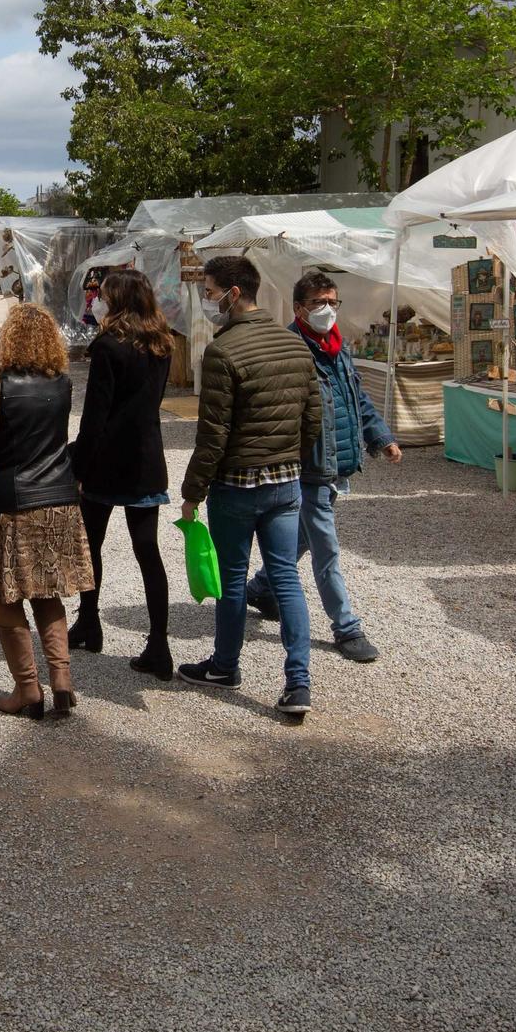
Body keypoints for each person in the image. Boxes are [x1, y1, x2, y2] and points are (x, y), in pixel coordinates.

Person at [175, 255, 328, 718]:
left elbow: (213, 434)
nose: (207, 300)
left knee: (233, 581)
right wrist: (289, 458)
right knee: (286, 578)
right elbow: (313, 417)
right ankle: (298, 681)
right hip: (285, 483)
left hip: (237, 486)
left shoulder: (224, 352)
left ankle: (225, 665)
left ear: (233, 294)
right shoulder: (296, 345)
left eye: (209, 291)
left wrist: (192, 491)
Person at [244, 272, 398, 662]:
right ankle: (347, 628)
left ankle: (261, 587)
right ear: (299, 308)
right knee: (326, 546)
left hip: (335, 464)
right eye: (318, 303)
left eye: (333, 301)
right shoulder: (288, 348)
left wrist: (381, 437)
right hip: (307, 466)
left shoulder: (337, 347)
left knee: (304, 536)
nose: (327, 310)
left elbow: (356, 396)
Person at [0, 303, 95, 718]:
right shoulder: (63, 383)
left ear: (10, 338)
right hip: (58, 500)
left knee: (9, 595)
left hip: (12, 503)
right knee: (48, 591)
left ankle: (26, 689)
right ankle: (61, 680)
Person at [68, 268, 175, 677]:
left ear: (118, 302)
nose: (97, 301)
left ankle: (89, 620)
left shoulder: (109, 347)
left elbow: (95, 417)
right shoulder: (162, 345)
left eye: (104, 296)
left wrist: (79, 465)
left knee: (91, 544)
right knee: (148, 551)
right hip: (146, 458)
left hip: (107, 462)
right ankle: (159, 643)